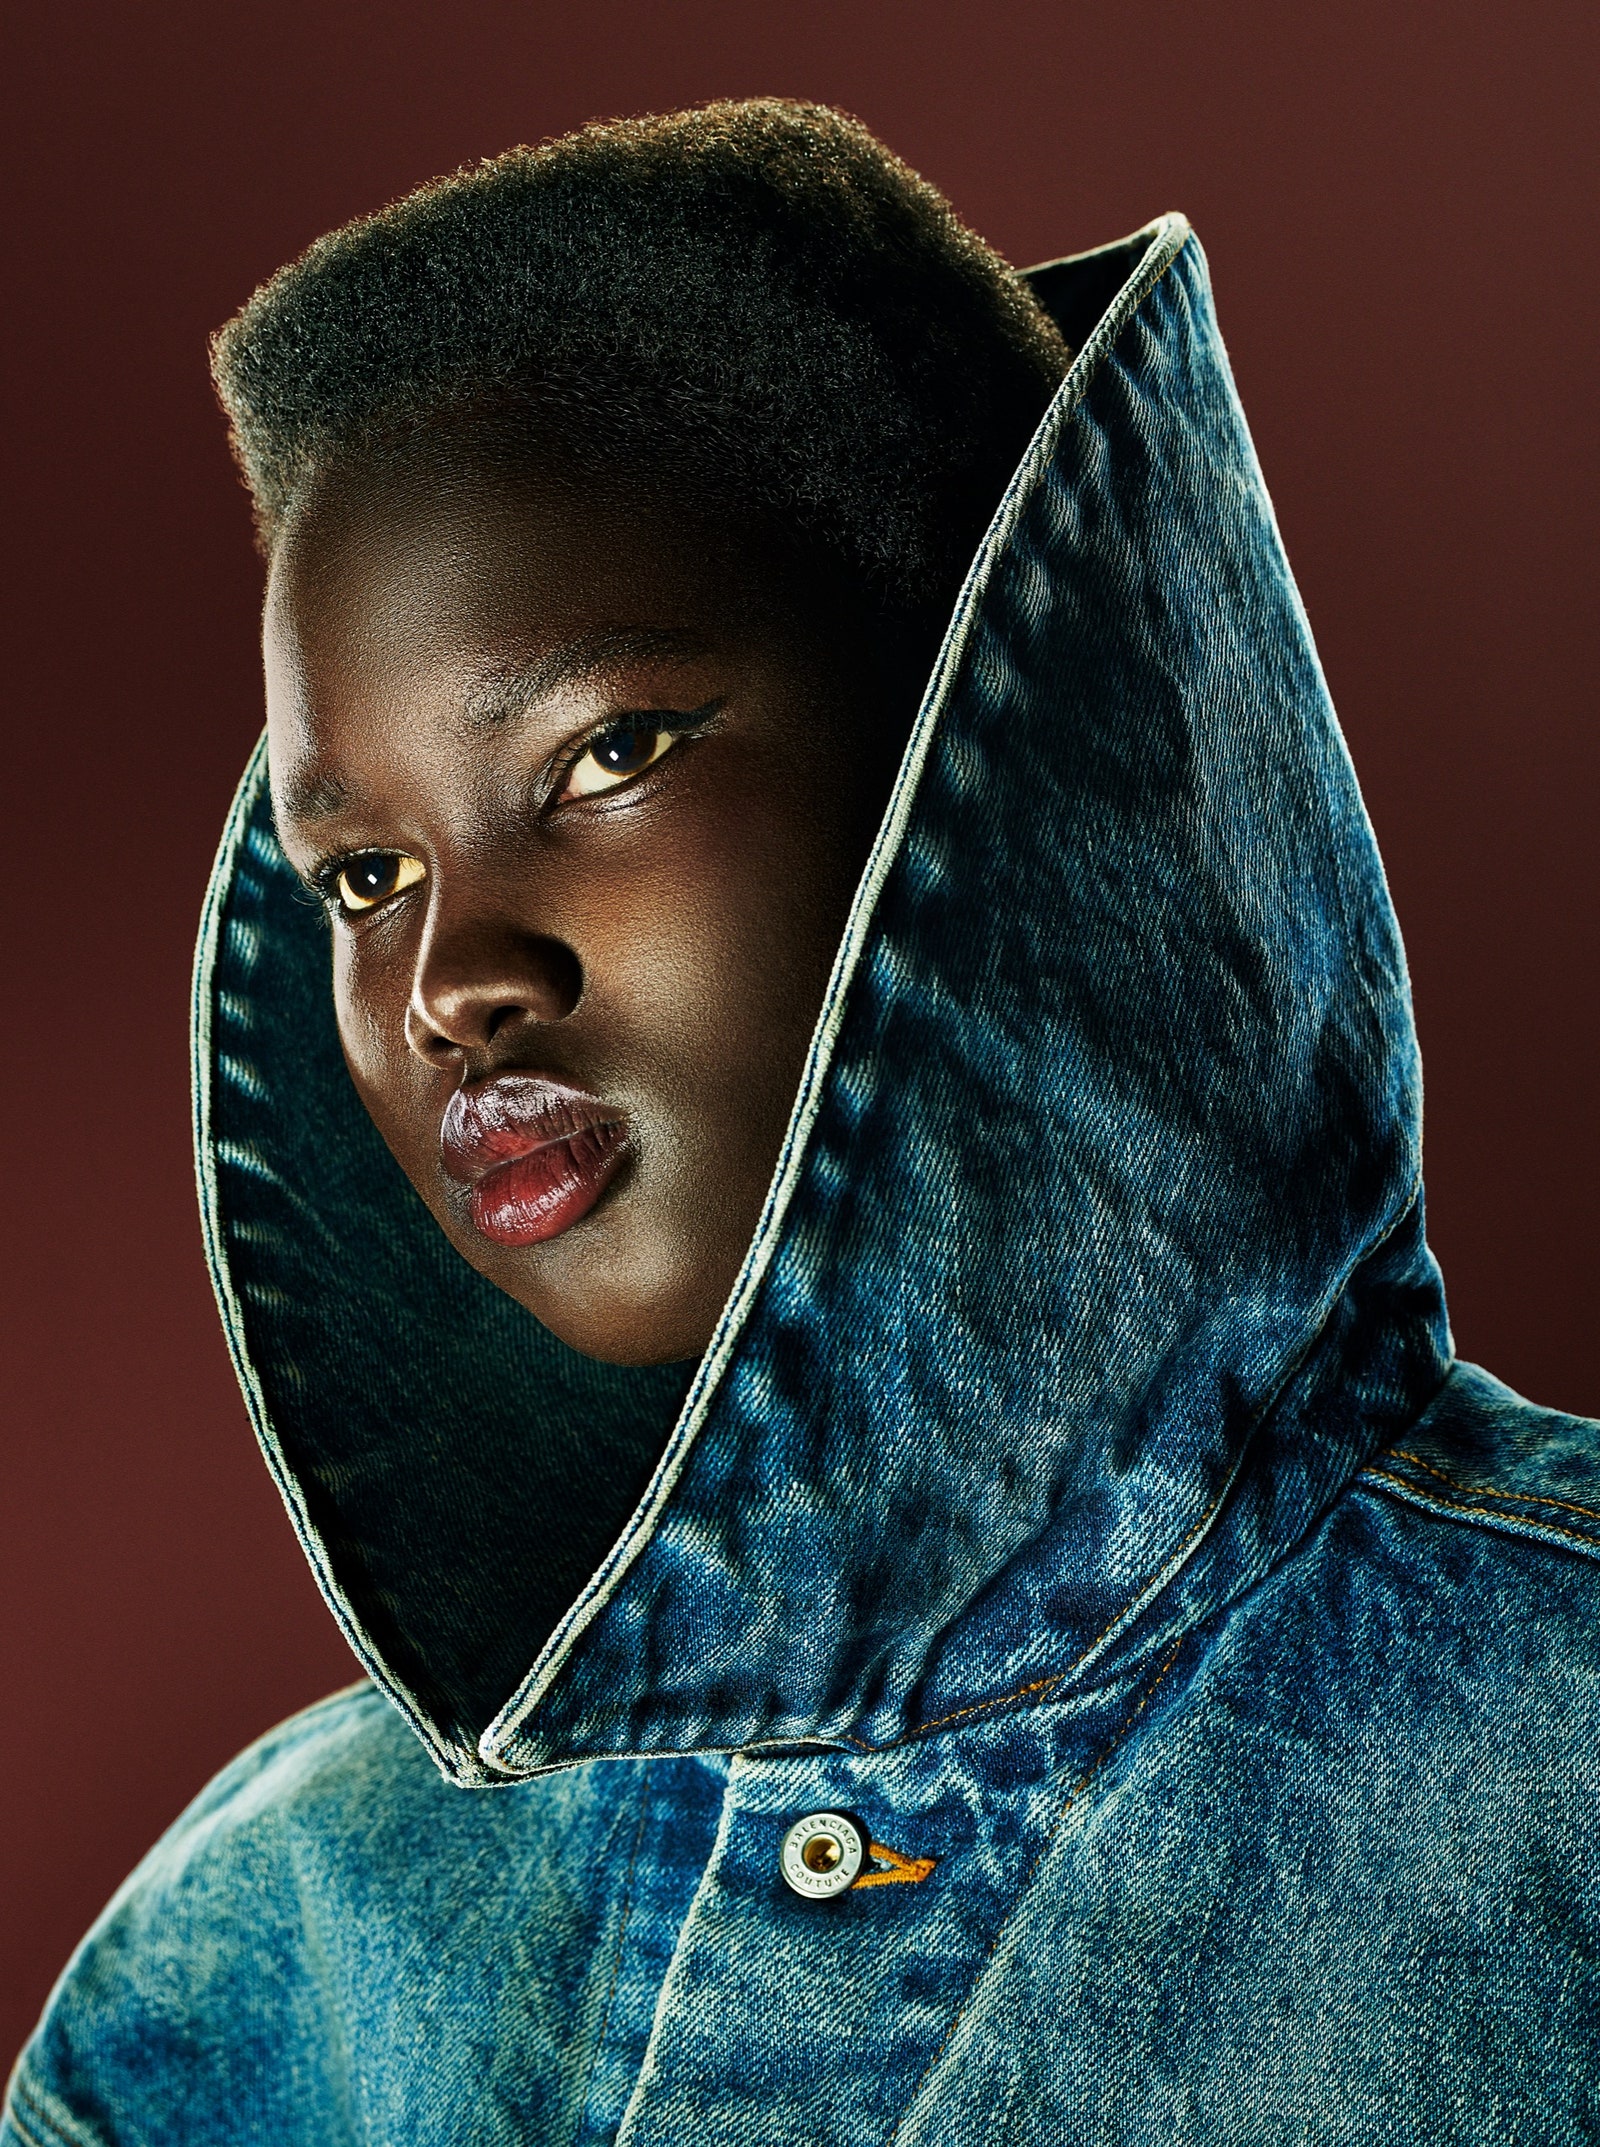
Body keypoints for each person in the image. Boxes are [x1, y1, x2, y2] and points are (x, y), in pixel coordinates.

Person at [6, 97, 1597, 2147]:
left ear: (1025, 732)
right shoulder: (266, 1965)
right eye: (359, 875)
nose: (446, 979)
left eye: (605, 754)